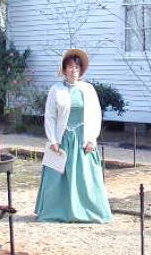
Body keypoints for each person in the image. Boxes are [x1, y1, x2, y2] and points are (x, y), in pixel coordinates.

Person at [34, 49, 112, 223]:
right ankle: (56, 211)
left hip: (82, 139)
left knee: (86, 177)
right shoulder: (56, 89)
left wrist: (92, 139)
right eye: (69, 67)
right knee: (57, 178)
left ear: (81, 69)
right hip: (63, 139)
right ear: (64, 69)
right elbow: (50, 116)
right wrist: (53, 140)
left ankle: (88, 212)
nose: (73, 70)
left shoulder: (88, 89)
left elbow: (95, 115)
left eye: (77, 67)